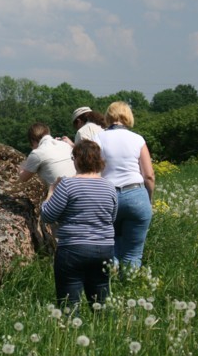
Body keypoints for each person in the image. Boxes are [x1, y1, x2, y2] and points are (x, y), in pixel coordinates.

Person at [41, 140, 118, 308]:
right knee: (101, 302)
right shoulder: (109, 186)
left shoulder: (67, 185)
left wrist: (51, 192)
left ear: (76, 159)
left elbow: (47, 215)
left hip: (73, 248)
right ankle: (104, 331)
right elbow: (111, 218)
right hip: (104, 248)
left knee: (69, 303)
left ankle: (69, 331)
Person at [94, 101, 155, 270]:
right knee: (133, 253)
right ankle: (130, 288)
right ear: (128, 117)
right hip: (136, 195)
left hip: (108, 196)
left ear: (108, 117)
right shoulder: (138, 139)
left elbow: (93, 171)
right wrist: (148, 200)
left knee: (109, 249)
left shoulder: (98, 138)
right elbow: (149, 175)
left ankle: (110, 289)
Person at [18, 122, 76, 187]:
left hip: (62, 194)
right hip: (80, 187)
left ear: (33, 140)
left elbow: (23, 178)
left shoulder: (37, 153)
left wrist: (21, 166)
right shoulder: (65, 144)